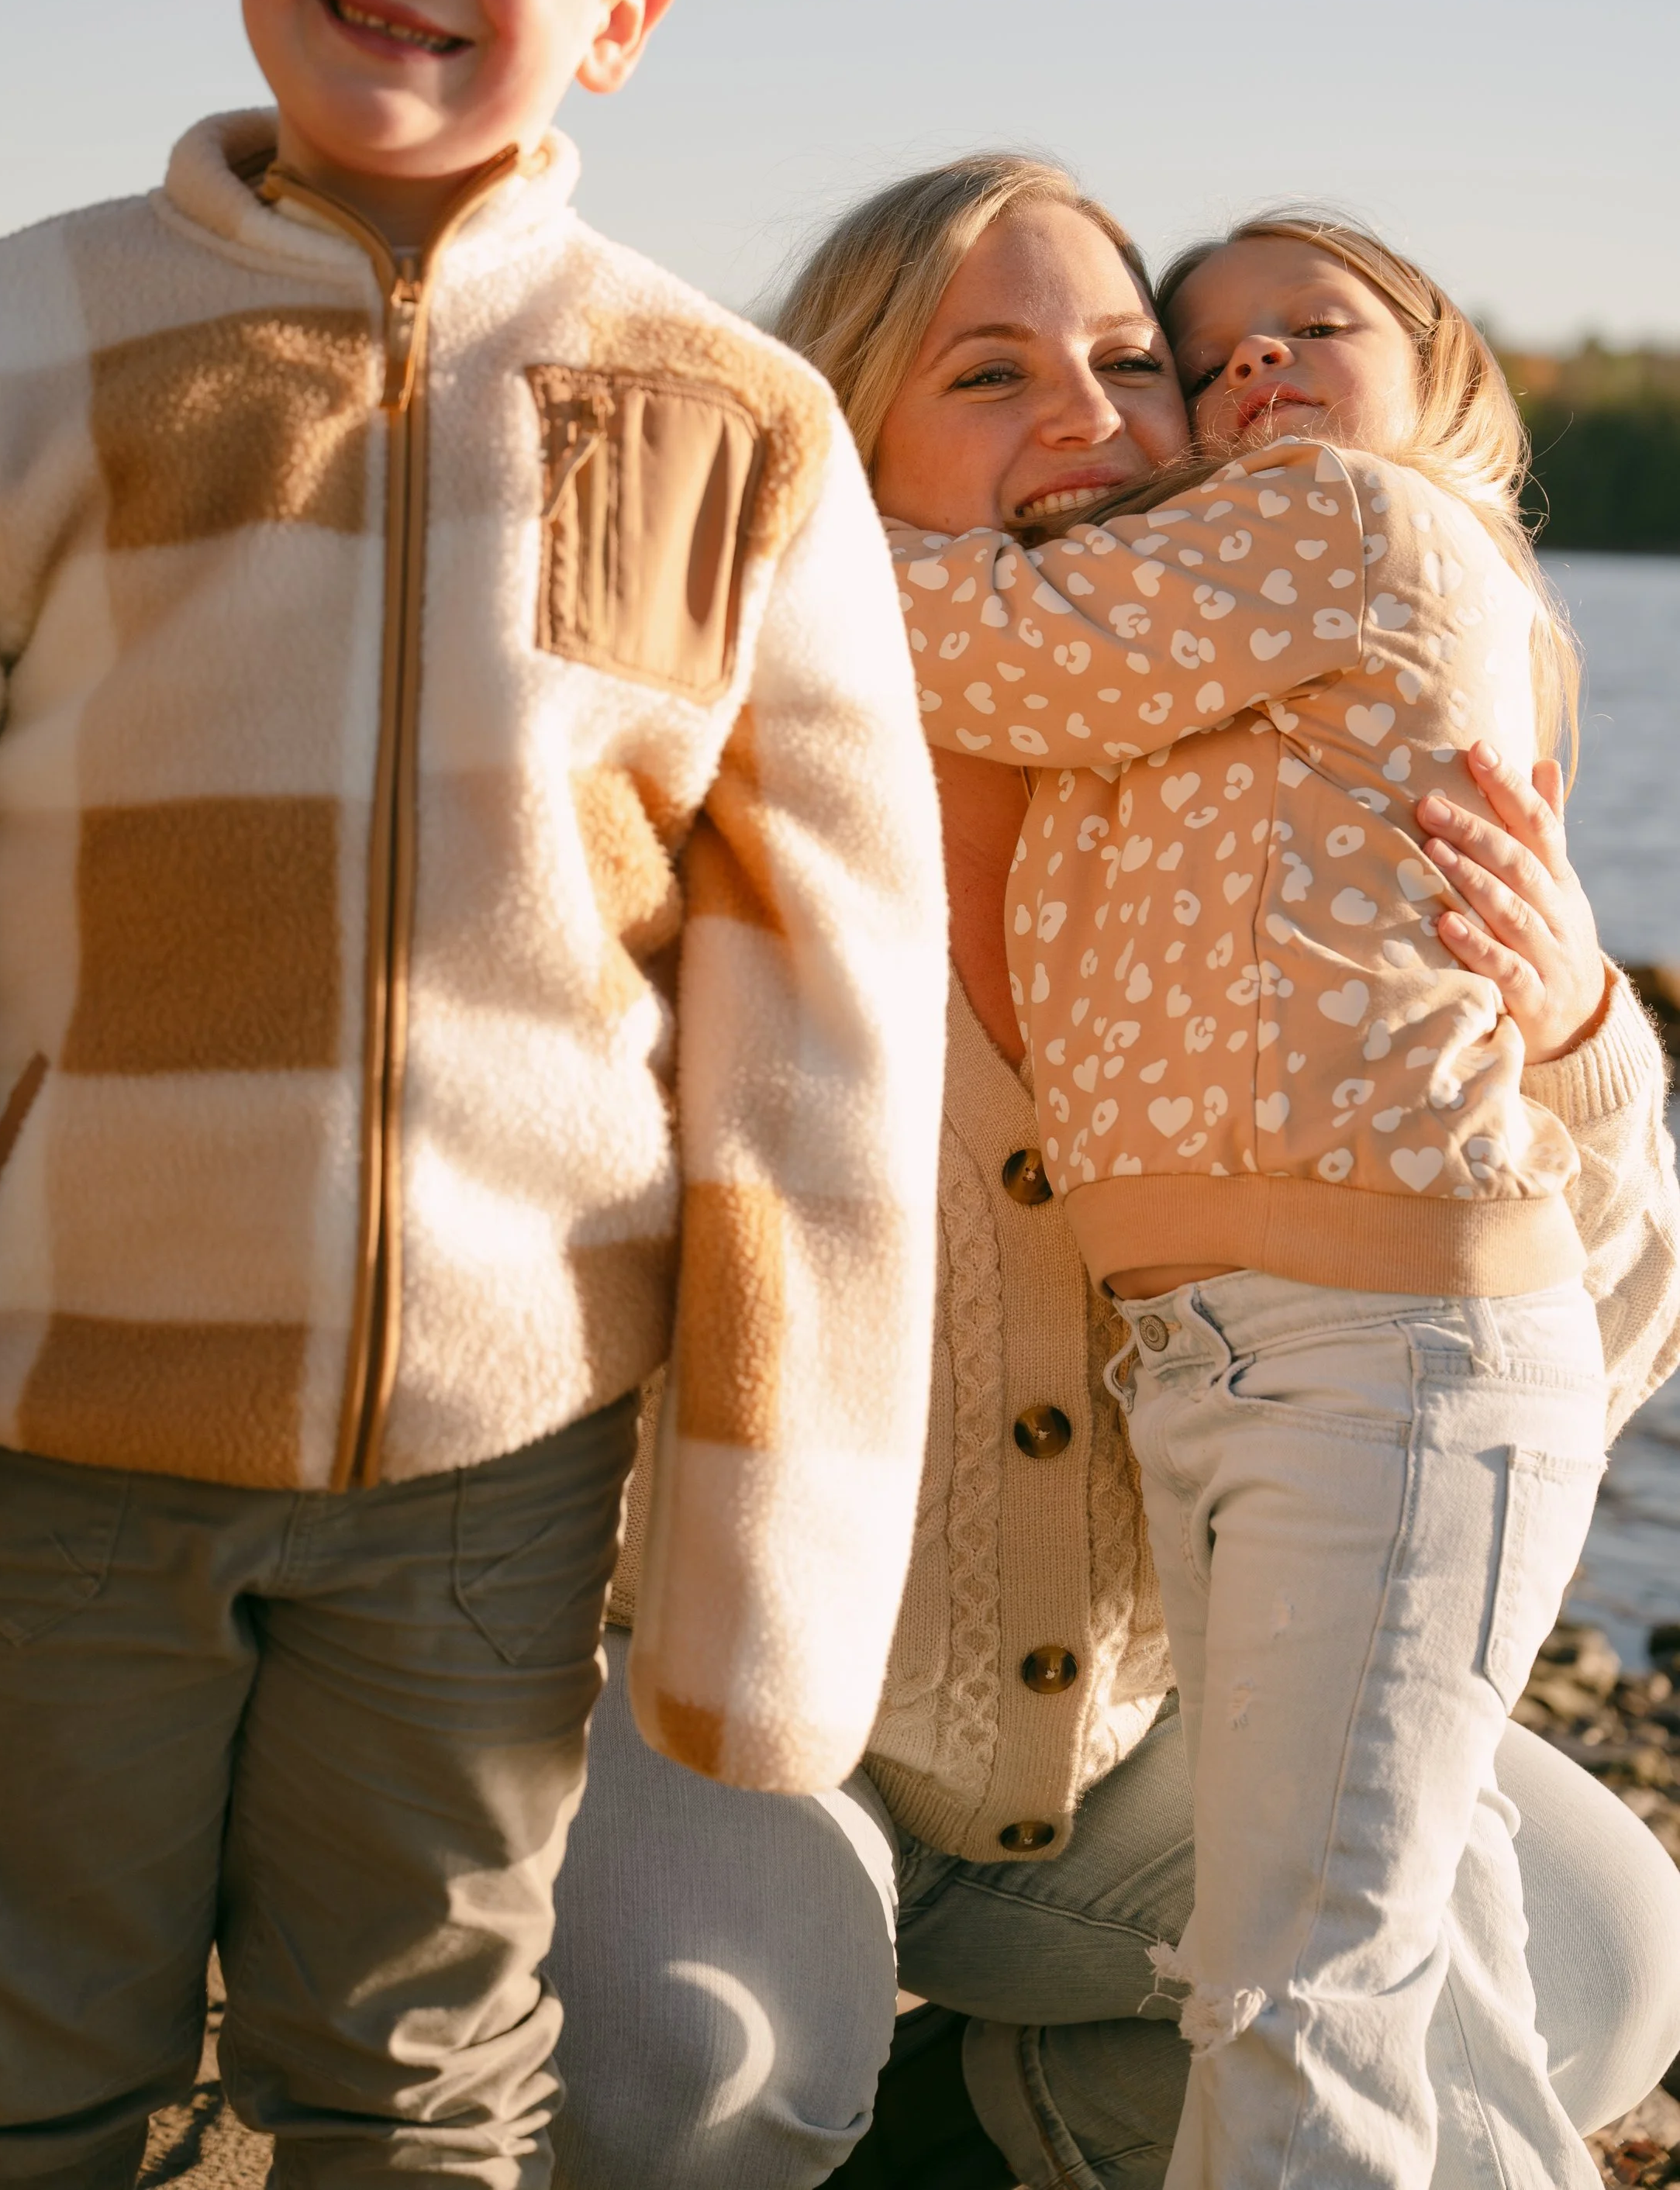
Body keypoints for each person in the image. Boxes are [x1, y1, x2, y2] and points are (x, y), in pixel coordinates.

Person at [0, 0, 947, 2188]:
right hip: (39, 1418)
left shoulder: (738, 425)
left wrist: (772, 1505)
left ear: (622, 11)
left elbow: (826, 1007)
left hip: (503, 1457)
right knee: (10, 2043)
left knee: (415, 2063)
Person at [548, 157, 1680, 2190]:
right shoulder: (717, 804)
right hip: (768, 1698)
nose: (1088, 410)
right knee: (678, 2072)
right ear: (850, 432)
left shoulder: (1297, 795)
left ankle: (1013, 2112)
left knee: (1601, 1960)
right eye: (989, 369)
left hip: (1149, 1729)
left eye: (1129, 359)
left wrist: (1582, 1037)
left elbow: (1566, 1365)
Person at [889, 206, 1629, 2185]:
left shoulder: (1354, 529)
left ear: (1444, 369)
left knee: (1315, 1982)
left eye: (1317, 325)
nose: (1257, 377)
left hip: (1379, 1344)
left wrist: (747, 485)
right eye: (1207, 363)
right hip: (1244, 1361)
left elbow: (979, 638)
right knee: (1396, 1965)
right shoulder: (1188, 705)